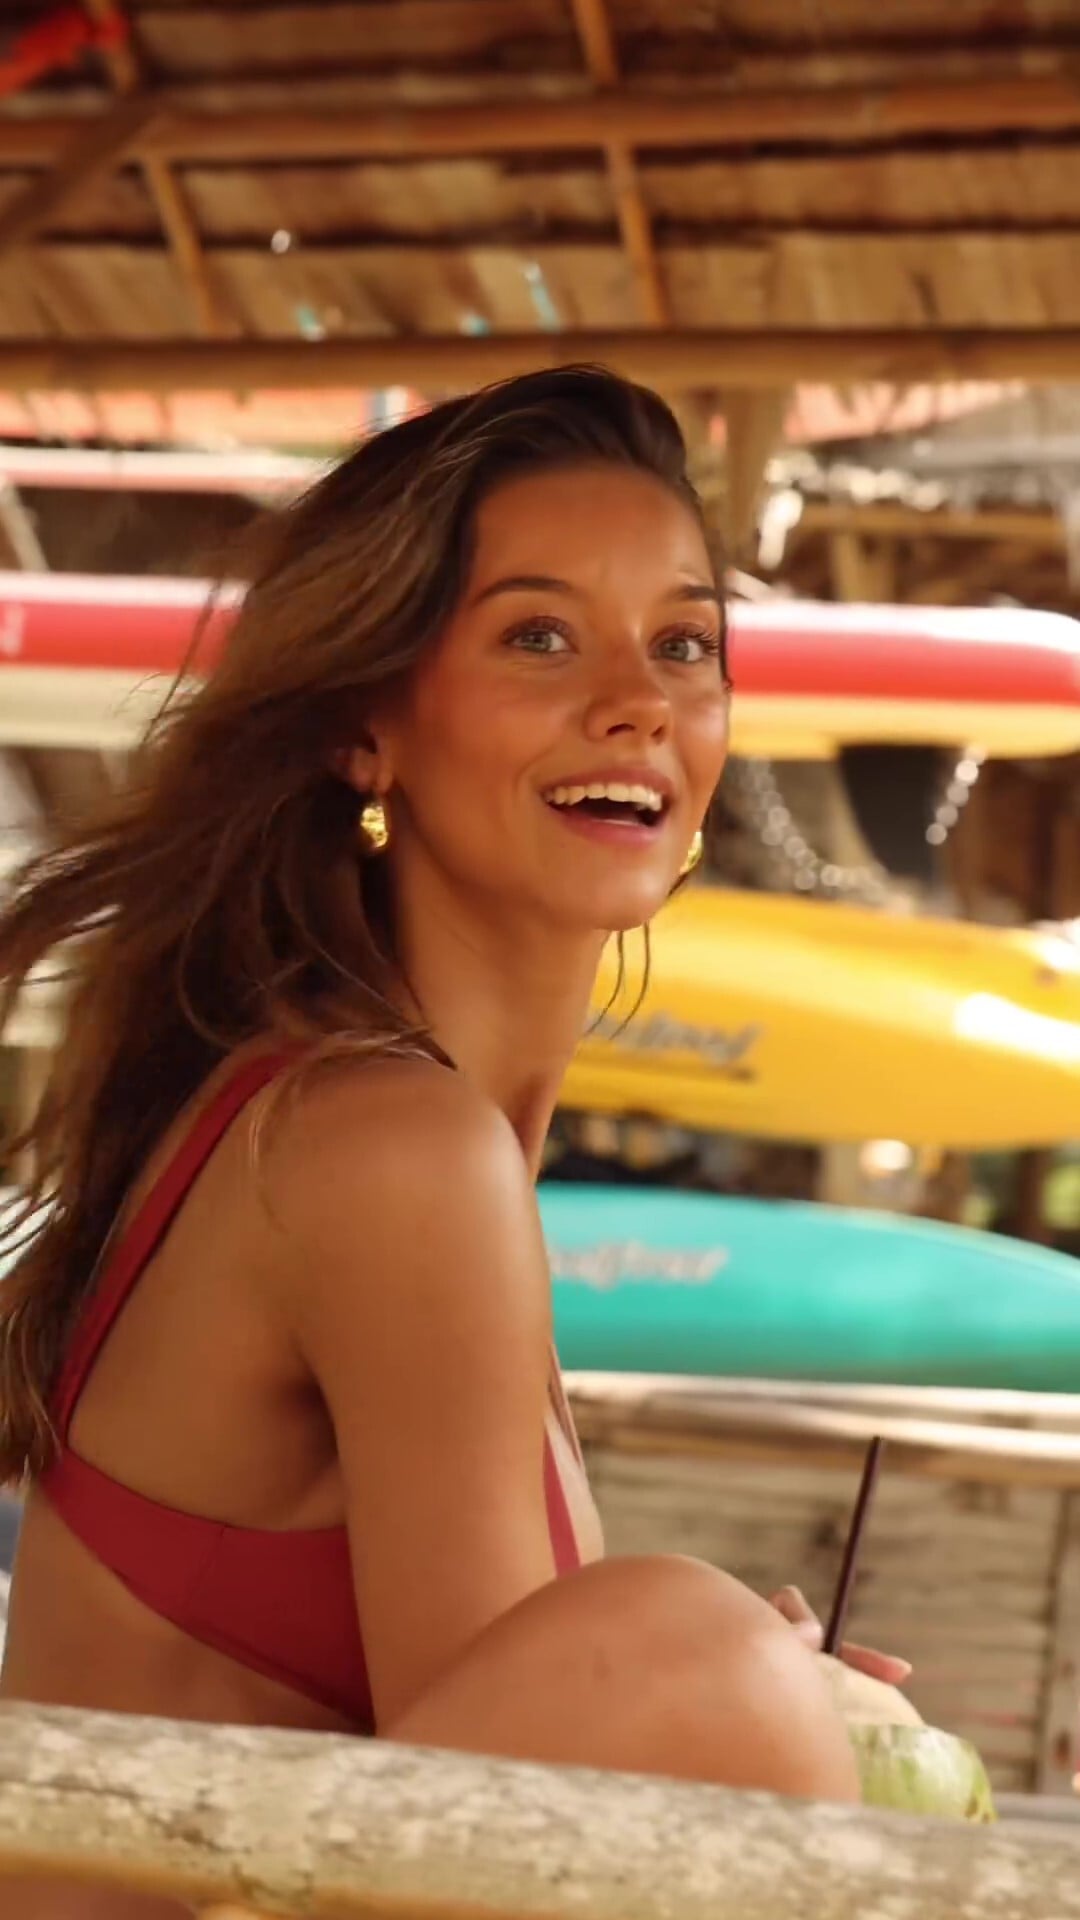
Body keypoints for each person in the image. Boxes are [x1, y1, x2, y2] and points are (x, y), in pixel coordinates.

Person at [0, 369, 906, 1919]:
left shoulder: (364, 1111)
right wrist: (755, 1699)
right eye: (539, 637)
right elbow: (491, 1841)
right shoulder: (389, 1149)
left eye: (683, 643)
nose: (637, 700)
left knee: (713, 1665)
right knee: (706, 1662)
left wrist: (764, 1696)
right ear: (366, 727)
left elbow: (493, 1749)